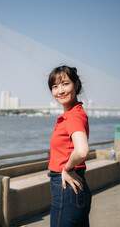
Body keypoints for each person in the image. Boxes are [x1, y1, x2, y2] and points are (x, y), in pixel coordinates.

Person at [47, 65, 92, 227]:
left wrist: (67, 168)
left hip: (66, 188)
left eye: (65, 84)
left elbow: (82, 151)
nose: (60, 90)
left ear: (77, 84)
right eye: (55, 86)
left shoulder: (73, 116)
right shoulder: (74, 113)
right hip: (76, 187)